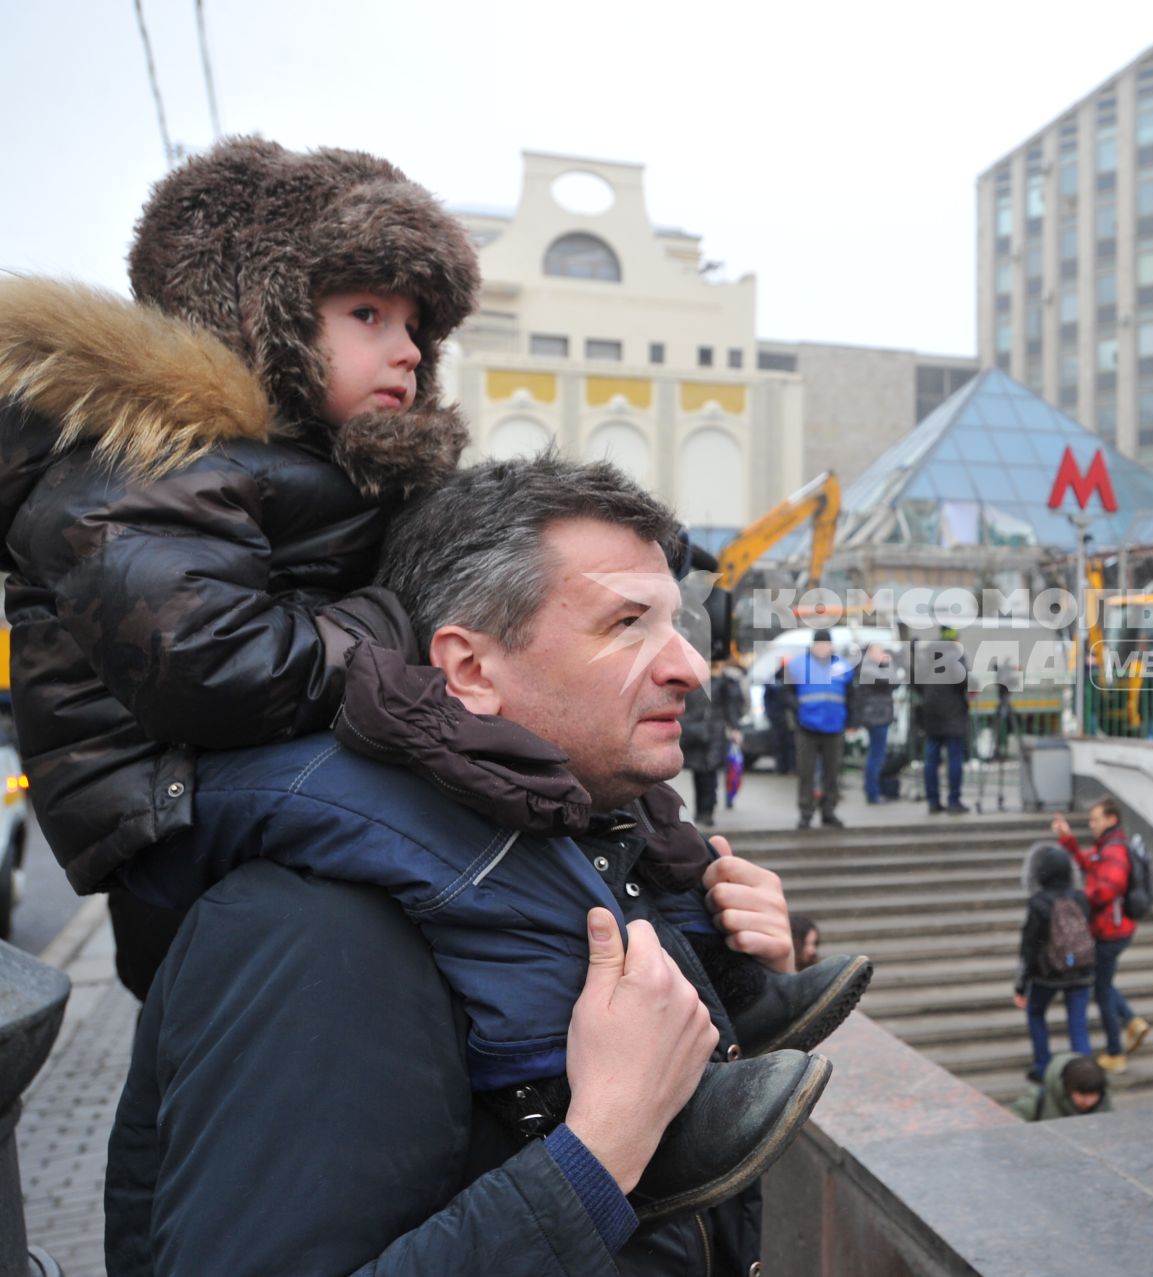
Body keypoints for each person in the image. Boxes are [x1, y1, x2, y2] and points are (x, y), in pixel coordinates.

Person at [106, 457, 879, 1271]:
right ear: (471, 670)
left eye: (678, 622)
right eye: (626, 624)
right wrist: (597, 1153)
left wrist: (734, 1002)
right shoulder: (312, 933)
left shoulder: (580, 853)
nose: (688, 663)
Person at [0, 137, 478, 998]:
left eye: (415, 325)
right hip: (174, 811)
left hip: (246, 783)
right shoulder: (148, 461)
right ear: (261, 316)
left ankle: (711, 971)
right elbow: (217, 667)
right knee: (482, 845)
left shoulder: (314, 469)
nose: (407, 349)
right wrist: (398, 619)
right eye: (367, 314)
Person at [1052, 800, 1151, 1074]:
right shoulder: (1107, 846)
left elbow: (1107, 889)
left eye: (1095, 819)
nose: (1091, 824)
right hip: (1111, 929)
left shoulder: (1115, 851)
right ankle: (1132, 1021)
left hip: (1111, 931)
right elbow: (1090, 865)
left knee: (1102, 989)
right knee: (1103, 982)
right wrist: (1068, 840)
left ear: (1111, 819)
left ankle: (1116, 1053)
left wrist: (1076, 899)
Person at [1013, 842, 1094, 1083]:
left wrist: (1021, 984)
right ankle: (1084, 1075)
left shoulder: (1038, 903)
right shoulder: (1080, 899)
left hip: (1047, 974)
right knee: (1077, 1024)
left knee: (1036, 1013)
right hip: (1081, 970)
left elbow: (1029, 946)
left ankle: (1043, 1067)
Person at [788, 629, 855, 829]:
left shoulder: (844, 666)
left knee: (832, 773)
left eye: (826, 644)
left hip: (834, 727)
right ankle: (806, 813)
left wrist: (851, 721)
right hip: (806, 727)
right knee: (806, 772)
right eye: (819, 644)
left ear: (831, 646)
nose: (823, 647)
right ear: (813, 645)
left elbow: (852, 696)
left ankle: (829, 811)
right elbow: (785, 693)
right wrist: (797, 709)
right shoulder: (797, 665)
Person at [913, 626, 971, 814]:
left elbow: (915, 681)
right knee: (954, 758)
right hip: (953, 712)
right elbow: (963, 681)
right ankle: (953, 801)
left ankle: (933, 801)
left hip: (930, 714)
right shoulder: (955, 655)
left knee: (931, 760)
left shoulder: (927, 654)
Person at [683, 657, 744, 823]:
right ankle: (699, 810)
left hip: (714, 733)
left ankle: (708, 811)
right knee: (698, 773)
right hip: (694, 732)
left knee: (710, 772)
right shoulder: (692, 681)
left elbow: (732, 706)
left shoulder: (723, 682)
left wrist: (735, 727)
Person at [852, 641, 901, 804]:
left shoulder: (869, 668)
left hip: (879, 715)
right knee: (876, 755)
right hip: (876, 716)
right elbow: (893, 680)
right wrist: (886, 663)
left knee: (877, 754)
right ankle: (872, 792)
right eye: (879, 651)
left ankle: (874, 790)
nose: (882, 654)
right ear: (870, 653)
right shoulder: (868, 670)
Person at [1010, 1054, 1112, 1122]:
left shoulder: (1104, 1105)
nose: (1089, 1102)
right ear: (1067, 1088)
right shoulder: (1035, 1103)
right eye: (1082, 1095)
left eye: (1094, 1095)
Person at [764, 656, 798, 775]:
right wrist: (771, 714)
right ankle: (781, 767)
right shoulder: (774, 680)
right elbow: (767, 699)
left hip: (791, 717)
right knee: (779, 743)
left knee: (792, 744)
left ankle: (793, 767)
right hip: (778, 717)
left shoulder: (795, 680)